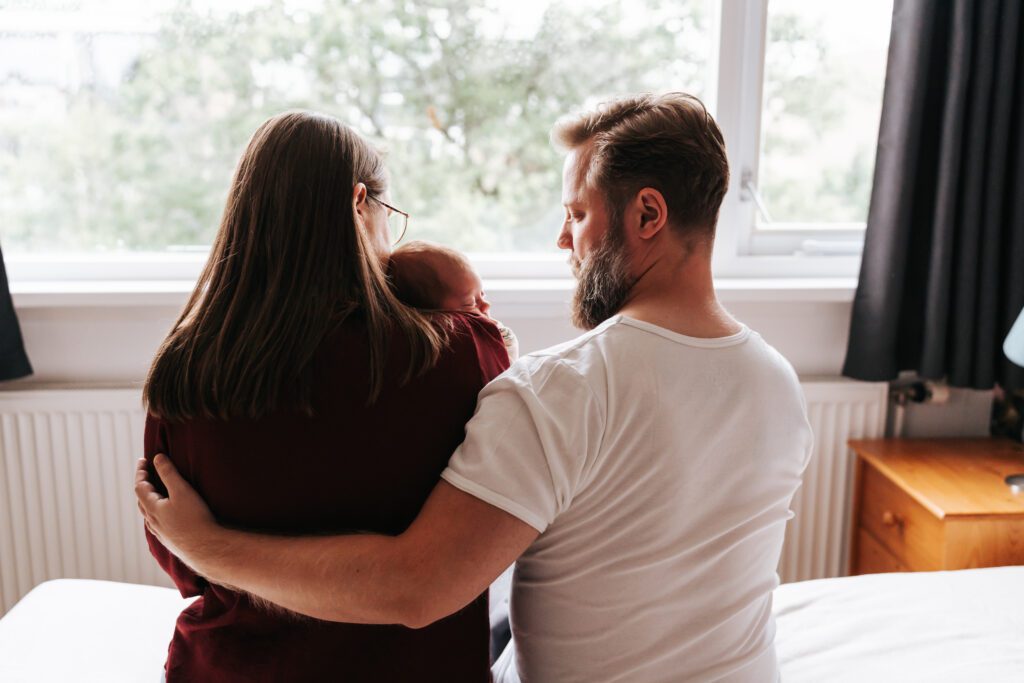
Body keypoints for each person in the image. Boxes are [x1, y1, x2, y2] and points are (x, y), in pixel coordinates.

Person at [138, 92, 814, 683]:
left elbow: (418, 586)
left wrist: (210, 546)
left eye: (576, 214)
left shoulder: (563, 388)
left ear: (647, 215)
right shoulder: (779, 384)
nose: (562, 240)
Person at [141, 111, 508, 682]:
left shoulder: (187, 369)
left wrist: (221, 546)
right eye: (391, 216)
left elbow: (185, 567)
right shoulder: (458, 354)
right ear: (360, 202)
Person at [390, 239, 519, 359]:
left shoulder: (496, 330)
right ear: (433, 316)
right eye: (471, 303)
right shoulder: (451, 347)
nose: (486, 305)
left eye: (482, 294)